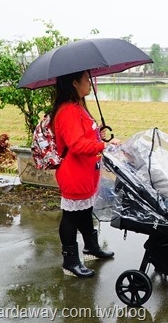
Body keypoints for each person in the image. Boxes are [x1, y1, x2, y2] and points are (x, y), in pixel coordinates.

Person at [51, 70, 121, 278]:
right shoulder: (68, 111)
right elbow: (76, 144)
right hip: (74, 173)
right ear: (74, 83)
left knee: (84, 211)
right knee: (71, 216)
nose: (90, 84)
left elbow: (83, 137)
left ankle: (91, 248)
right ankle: (70, 262)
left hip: (86, 171)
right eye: (86, 80)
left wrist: (96, 134)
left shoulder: (78, 108)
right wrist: (103, 145)